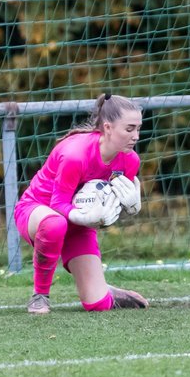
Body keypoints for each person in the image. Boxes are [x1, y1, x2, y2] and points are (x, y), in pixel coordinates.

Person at [14, 93, 148, 315]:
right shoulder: (76, 155)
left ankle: (105, 291)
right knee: (55, 224)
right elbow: (58, 204)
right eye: (129, 129)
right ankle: (40, 296)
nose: (136, 136)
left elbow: (107, 210)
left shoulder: (130, 160)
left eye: (138, 129)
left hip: (78, 226)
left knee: (97, 305)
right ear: (108, 127)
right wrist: (84, 217)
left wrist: (131, 207)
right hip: (38, 212)